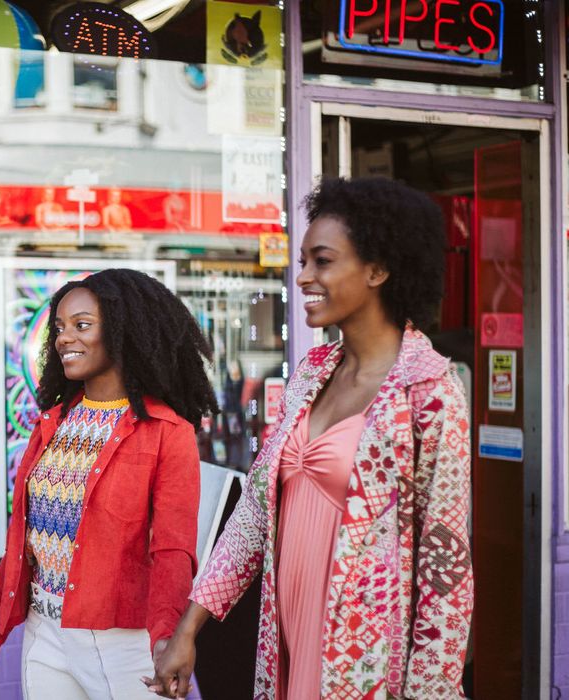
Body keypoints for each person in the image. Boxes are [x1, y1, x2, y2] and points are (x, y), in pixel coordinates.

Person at [146, 177, 473, 699]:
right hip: (287, 637)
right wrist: (189, 629)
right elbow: (252, 517)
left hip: (366, 660)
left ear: (378, 270)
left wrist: (430, 691)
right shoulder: (311, 373)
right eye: (302, 262)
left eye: (321, 261)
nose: (302, 277)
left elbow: (445, 565)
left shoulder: (429, 389)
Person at [0, 268, 218, 700]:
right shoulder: (52, 424)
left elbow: (173, 550)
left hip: (122, 644)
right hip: (45, 634)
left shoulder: (166, 432)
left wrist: (167, 637)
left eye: (82, 326)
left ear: (123, 333)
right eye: (60, 328)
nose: (64, 338)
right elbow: (22, 542)